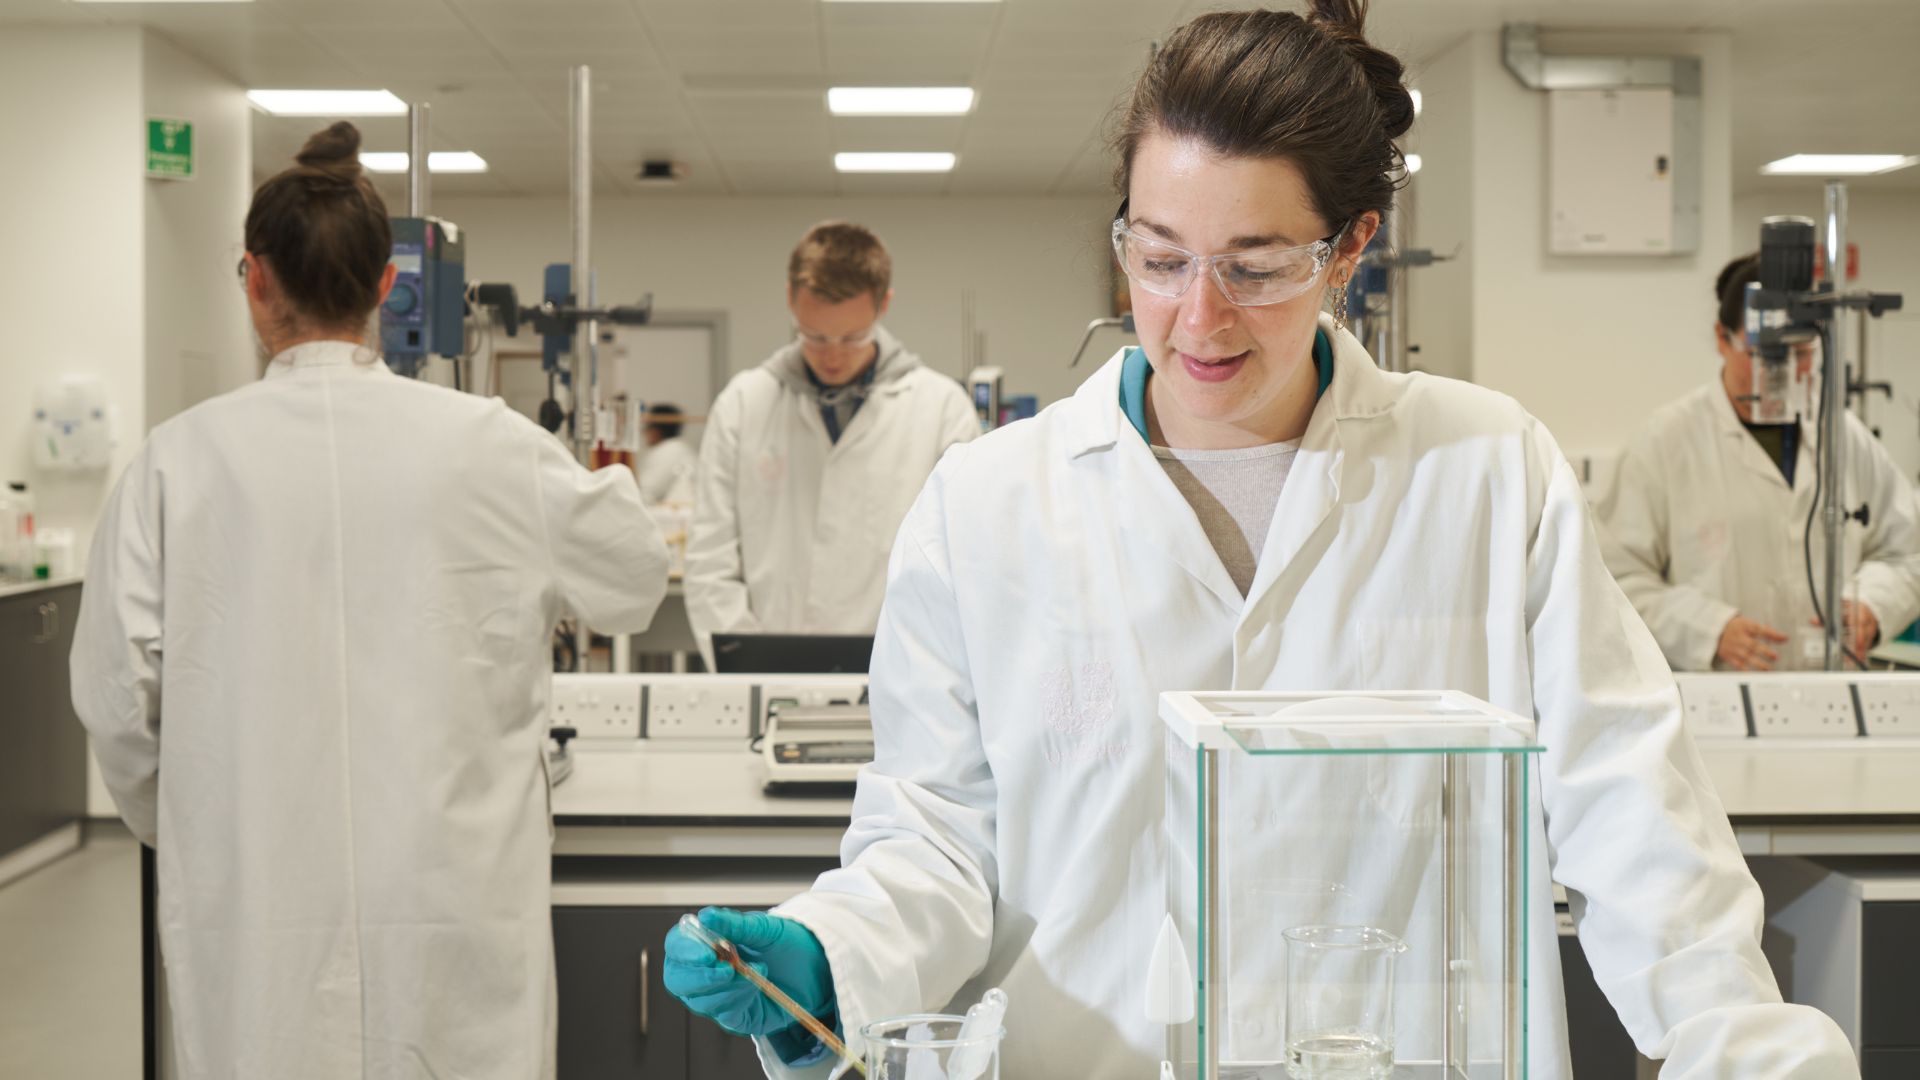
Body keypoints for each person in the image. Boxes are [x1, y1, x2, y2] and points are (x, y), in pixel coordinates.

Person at [661, 5, 1857, 1078]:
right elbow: (931, 841)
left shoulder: (1489, 474)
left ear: (1350, 248)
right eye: (1162, 256)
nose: (1200, 316)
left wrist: (1747, 1047)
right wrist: (831, 955)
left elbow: (1638, 825)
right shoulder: (988, 506)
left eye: (1257, 266)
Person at [70, 122, 671, 1079]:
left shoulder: (175, 462)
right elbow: (637, 579)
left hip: (255, 900)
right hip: (453, 900)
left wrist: (197, 813)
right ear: (388, 288)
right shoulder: (492, 444)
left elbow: (114, 699)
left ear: (254, 279)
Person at [1596, 253, 1920, 671]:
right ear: (1722, 338)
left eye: (1800, 355)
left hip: (1831, 688)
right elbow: (1612, 581)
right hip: (1712, 698)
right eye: (1762, 356)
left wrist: (1872, 606)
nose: (1780, 374)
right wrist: (1708, 629)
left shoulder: (1844, 437)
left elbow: (1908, 553)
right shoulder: (1665, 442)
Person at [683, 222, 977, 663]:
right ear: (790, 301)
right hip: (766, 663)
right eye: (815, 337)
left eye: (853, 337)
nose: (834, 356)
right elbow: (711, 558)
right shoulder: (743, 404)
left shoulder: (941, 409)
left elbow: (963, 559)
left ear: (884, 305)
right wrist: (747, 658)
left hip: (902, 670)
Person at [637, 401, 697, 506]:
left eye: (647, 427)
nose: (644, 432)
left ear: (656, 430)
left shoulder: (670, 450)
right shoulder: (677, 448)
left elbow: (647, 490)